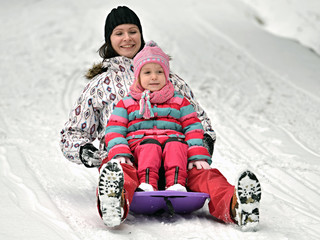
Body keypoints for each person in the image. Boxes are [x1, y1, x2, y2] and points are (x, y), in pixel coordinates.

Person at [60, 6, 261, 230]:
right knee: (122, 175)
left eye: (132, 31)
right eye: (119, 33)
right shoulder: (99, 85)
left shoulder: (169, 79)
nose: (127, 38)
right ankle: (115, 203)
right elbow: (73, 132)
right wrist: (85, 151)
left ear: (141, 34)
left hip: (177, 158)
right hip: (126, 158)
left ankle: (236, 207)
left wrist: (202, 145)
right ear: (109, 39)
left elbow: (197, 119)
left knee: (207, 177)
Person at [103, 41, 212, 196]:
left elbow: (193, 127)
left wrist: (196, 153)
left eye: (159, 72)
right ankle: (116, 199)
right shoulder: (126, 103)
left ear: (167, 75)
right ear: (138, 76)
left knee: (181, 149)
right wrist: (120, 152)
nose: (154, 77)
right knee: (133, 161)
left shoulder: (180, 102)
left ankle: (233, 204)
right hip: (138, 159)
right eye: (147, 73)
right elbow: (114, 129)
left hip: (176, 160)